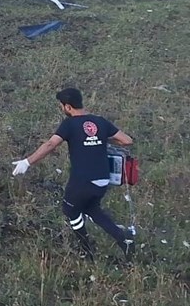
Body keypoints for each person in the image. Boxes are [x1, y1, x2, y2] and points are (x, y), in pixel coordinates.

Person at [11, 87, 135, 260]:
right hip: (102, 180)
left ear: (68, 107)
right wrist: (101, 137)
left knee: (69, 209)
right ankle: (124, 241)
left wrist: (27, 161)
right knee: (92, 209)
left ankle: (87, 250)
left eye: (62, 106)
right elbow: (127, 140)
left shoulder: (69, 124)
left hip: (83, 180)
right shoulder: (100, 121)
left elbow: (50, 145)